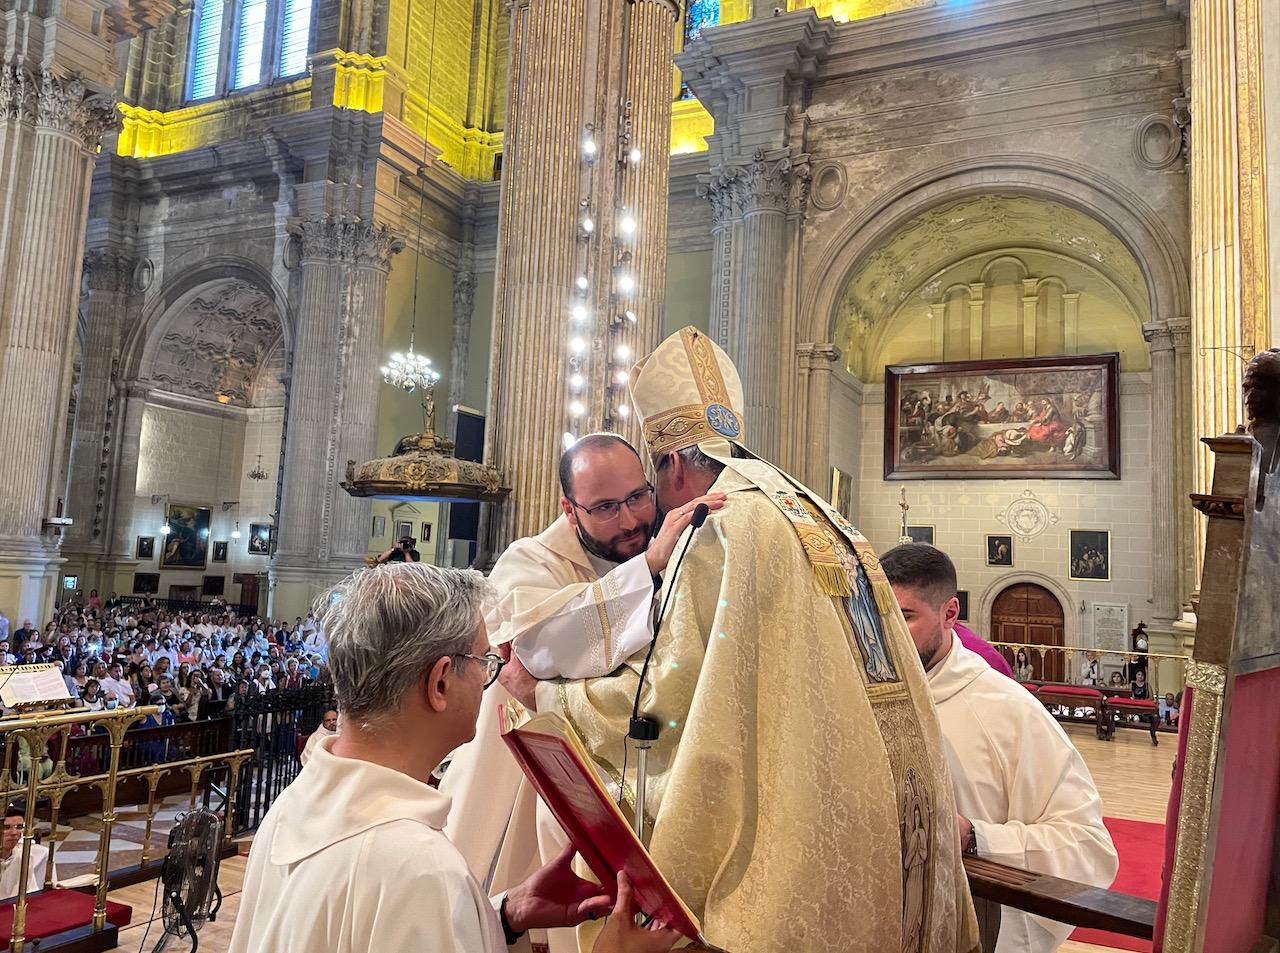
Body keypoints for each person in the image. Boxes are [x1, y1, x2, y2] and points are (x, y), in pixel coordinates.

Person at [512, 327, 979, 952]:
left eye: (649, 484)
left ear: (673, 461)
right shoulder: (818, 510)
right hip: (878, 815)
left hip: (789, 832)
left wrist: (549, 699)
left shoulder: (719, 522)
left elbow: (665, 701)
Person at [228, 562, 681, 953]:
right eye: (484, 660)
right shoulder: (417, 868)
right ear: (440, 683)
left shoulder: (291, 808)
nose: (491, 676)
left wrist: (503, 915)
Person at [443, 432, 722, 947]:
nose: (631, 520)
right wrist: (650, 566)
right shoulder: (531, 561)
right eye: (606, 507)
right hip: (525, 781)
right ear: (569, 510)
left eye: (639, 496)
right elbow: (543, 647)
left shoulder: (673, 541)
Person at [881, 543, 1118, 953]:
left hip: (972, 927)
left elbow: (1089, 848)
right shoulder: (860, 694)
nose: (889, 635)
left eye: (905, 617)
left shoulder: (1008, 709)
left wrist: (975, 837)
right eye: (879, 617)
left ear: (950, 613)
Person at [0, 808, 56, 901]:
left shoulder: (24, 858)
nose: (14, 833)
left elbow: (30, 893)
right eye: (6, 827)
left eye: (19, 827)